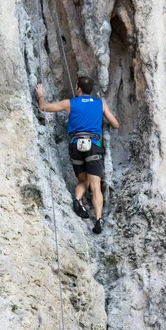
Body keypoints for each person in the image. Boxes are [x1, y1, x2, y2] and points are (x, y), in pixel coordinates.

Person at [35, 76, 119, 234]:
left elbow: (43, 107)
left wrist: (40, 94)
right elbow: (115, 124)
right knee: (95, 186)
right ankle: (98, 219)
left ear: (78, 88)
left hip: (76, 145)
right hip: (93, 145)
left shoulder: (69, 103)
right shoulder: (100, 104)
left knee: (83, 180)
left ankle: (78, 199)